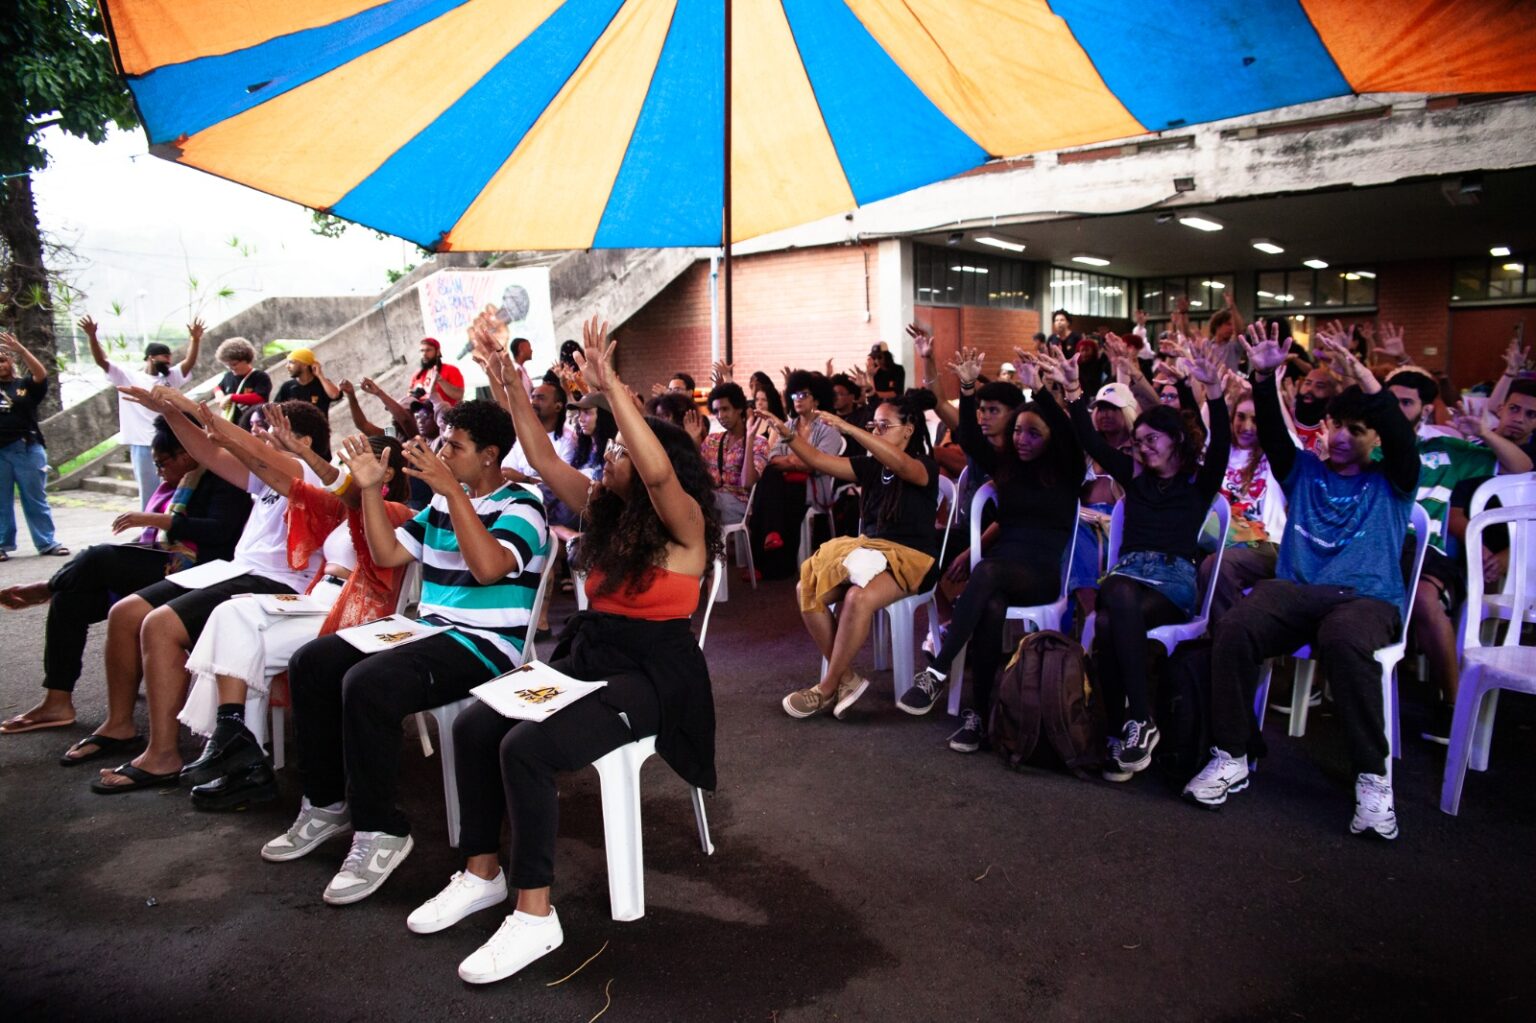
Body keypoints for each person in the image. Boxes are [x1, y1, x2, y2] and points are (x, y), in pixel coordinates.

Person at [408, 316, 719, 985]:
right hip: (592, 655)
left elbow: (658, 473)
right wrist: (506, 380)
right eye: (610, 448)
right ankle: (482, 873)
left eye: (619, 450)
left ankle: (535, 914)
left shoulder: (684, 522)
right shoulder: (604, 509)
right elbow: (543, 457)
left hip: (654, 672)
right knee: (474, 726)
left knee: (527, 748)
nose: (607, 456)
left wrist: (613, 389)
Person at [263, 400, 548, 907]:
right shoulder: (441, 503)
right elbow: (387, 553)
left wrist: (451, 494)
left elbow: (487, 569)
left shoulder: (522, 505)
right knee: (312, 661)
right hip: (428, 630)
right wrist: (370, 490)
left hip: (487, 643)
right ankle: (326, 803)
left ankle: (381, 830)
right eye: (442, 442)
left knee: (369, 683)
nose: (442, 453)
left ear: (489, 455)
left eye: (454, 446)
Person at [1189, 327, 1419, 840]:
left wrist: (1368, 381)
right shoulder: (1304, 471)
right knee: (1234, 628)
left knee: (1344, 640)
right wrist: (1264, 377)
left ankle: (1372, 777)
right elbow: (1273, 433)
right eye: (1336, 425)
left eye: (1356, 429)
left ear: (1377, 438)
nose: (1341, 436)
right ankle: (1232, 754)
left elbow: (1404, 443)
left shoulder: (1394, 481)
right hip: (1295, 590)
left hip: (1364, 598)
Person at [88, 395, 333, 792]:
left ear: (302, 440)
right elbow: (209, 453)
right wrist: (171, 413)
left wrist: (189, 406)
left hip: (278, 583)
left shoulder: (308, 471)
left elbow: (241, 447)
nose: (257, 437)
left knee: (159, 625)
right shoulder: (267, 475)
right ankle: (119, 724)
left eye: (266, 431)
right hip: (238, 570)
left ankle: (162, 754)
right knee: (127, 612)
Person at [176, 433, 413, 810]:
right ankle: (240, 750)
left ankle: (242, 758)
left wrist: (311, 458)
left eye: (359, 460)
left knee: (237, 628)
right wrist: (238, 443)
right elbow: (284, 483)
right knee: (233, 623)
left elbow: (354, 500)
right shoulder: (341, 508)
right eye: (347, 460)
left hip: (352, 614)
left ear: (386, 473)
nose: (348, 467)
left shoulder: (398, 513)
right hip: (316, 601)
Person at [0, 415, 250, 736]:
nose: (158, 470)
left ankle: (45, 588)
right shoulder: (177, 484)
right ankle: (57, 700)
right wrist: (152, 527)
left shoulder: (223, 476)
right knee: (71, 598)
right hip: (166, 562)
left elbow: (221, 531)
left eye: (162, 462)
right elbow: (153, 540)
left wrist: (158, 520)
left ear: (186, 454)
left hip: (200, 570)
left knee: (99, 556)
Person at [900, 354, 1082, 755]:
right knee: (991, 604)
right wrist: (967, 389)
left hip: (1041, 574)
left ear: (1051, 437)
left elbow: (1071, 434)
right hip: (1003, 570)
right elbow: (968, 436)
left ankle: (937, 671)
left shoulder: (1066, 471)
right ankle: (978, 715)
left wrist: (1040, 392)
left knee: (987, 573)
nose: (1021, 440)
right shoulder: (1007, 466)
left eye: (1033, 434)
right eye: (1017, 431)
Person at [1066, 340, 1229, 780]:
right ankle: (1133, 727)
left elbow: (1221, 444)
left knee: (1110, 610)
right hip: (1129, 576)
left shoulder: (1198, 485)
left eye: (1152, 440)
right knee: (1111, 606)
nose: (1143, 449)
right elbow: (1088, 439)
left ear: (1176, 440)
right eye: (1138, 443)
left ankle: (1131, 722)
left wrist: (1213, 392)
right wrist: (1073, 392)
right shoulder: (1134, 479)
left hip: (1172, 582)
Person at [770, 390, 942, 720]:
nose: (876, 431)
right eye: (873, 425)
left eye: (884, 426)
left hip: (913, 559)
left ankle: (826, 688)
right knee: (807, 588)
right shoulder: (872, 466)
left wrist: (851, 429)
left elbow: (901, 464)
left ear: (908, 430)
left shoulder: (923, 466)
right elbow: (818, 460)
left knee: (857, 598)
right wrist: (788, 435)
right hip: (871, 554)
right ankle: (847, 678)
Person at [79, 314, 203, 507]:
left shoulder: (170, 377)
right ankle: (148, 520)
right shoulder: (128, 377)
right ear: (151, 358)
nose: (169, 361)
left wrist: (195, 339)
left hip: (167, 440)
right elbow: (102, 361)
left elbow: (189, 363)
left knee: (175, 487)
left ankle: (170, 519)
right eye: (165, 357)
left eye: (170, 358)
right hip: (142, 444)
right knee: (149, 491)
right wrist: (92, 336)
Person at [0, 331, 66, 560]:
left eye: (3, 360)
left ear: (10, 361)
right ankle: (2, 544)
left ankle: (47, 542)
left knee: (35, 498)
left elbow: (40, 374)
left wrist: (21, 350)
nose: (0, 365)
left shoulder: (24, 385)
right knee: (1, 501)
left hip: (26, 448)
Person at [701, 382, 768, 525]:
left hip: (741, 506)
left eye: (725, 409)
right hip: (713, 501)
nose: (721, 416)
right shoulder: (712, 440)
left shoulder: (759, 442)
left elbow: (748, 483)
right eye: (716, 411)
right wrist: (694, 440)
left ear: (739, 409)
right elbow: (696, 476)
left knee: (704, 504)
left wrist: (749, 439)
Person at [211, 337, 272, 424]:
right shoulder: (228, 376)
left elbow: (260, 398)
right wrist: (219, 394)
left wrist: (232, 397)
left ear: (246, 360)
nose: (231, 368)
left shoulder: (260, 376)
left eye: (234, 364)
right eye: (227, 365)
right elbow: (218, 387)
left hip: (254, 422)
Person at [273, 348, 341, 415]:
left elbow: (335, 395)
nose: (287, 366)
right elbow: (274, 409)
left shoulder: (321, 383)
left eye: (291, 362)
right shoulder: (287, 387)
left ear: (304, 365)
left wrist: (320, 375)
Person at [407, 337, 466, 409]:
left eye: (428, 350)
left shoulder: (451, 370)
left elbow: (459, 395)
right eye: (422, 351)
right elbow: (410, 397)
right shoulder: (416, 375)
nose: (424, 354)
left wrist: (440, 380)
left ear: (438, 352)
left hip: (447, 414)